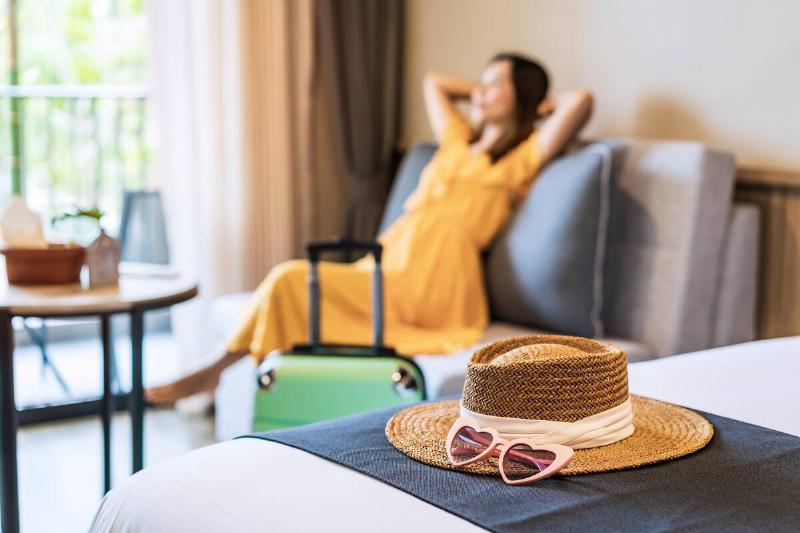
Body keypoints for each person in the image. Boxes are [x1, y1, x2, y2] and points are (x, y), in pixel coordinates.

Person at [145, 53, 593, 405]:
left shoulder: (523, 157)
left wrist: (540, 107)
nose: (480, 90)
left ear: (523, 94)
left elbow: (582, 102)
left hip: (438, 281)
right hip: (391, 258)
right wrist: (484, 89)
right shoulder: (457, 140)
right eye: (482, 80)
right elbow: (433, 82)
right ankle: (220, 369)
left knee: (289, 277)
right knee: (296, 278)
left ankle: (217, 367)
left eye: (496, 83)